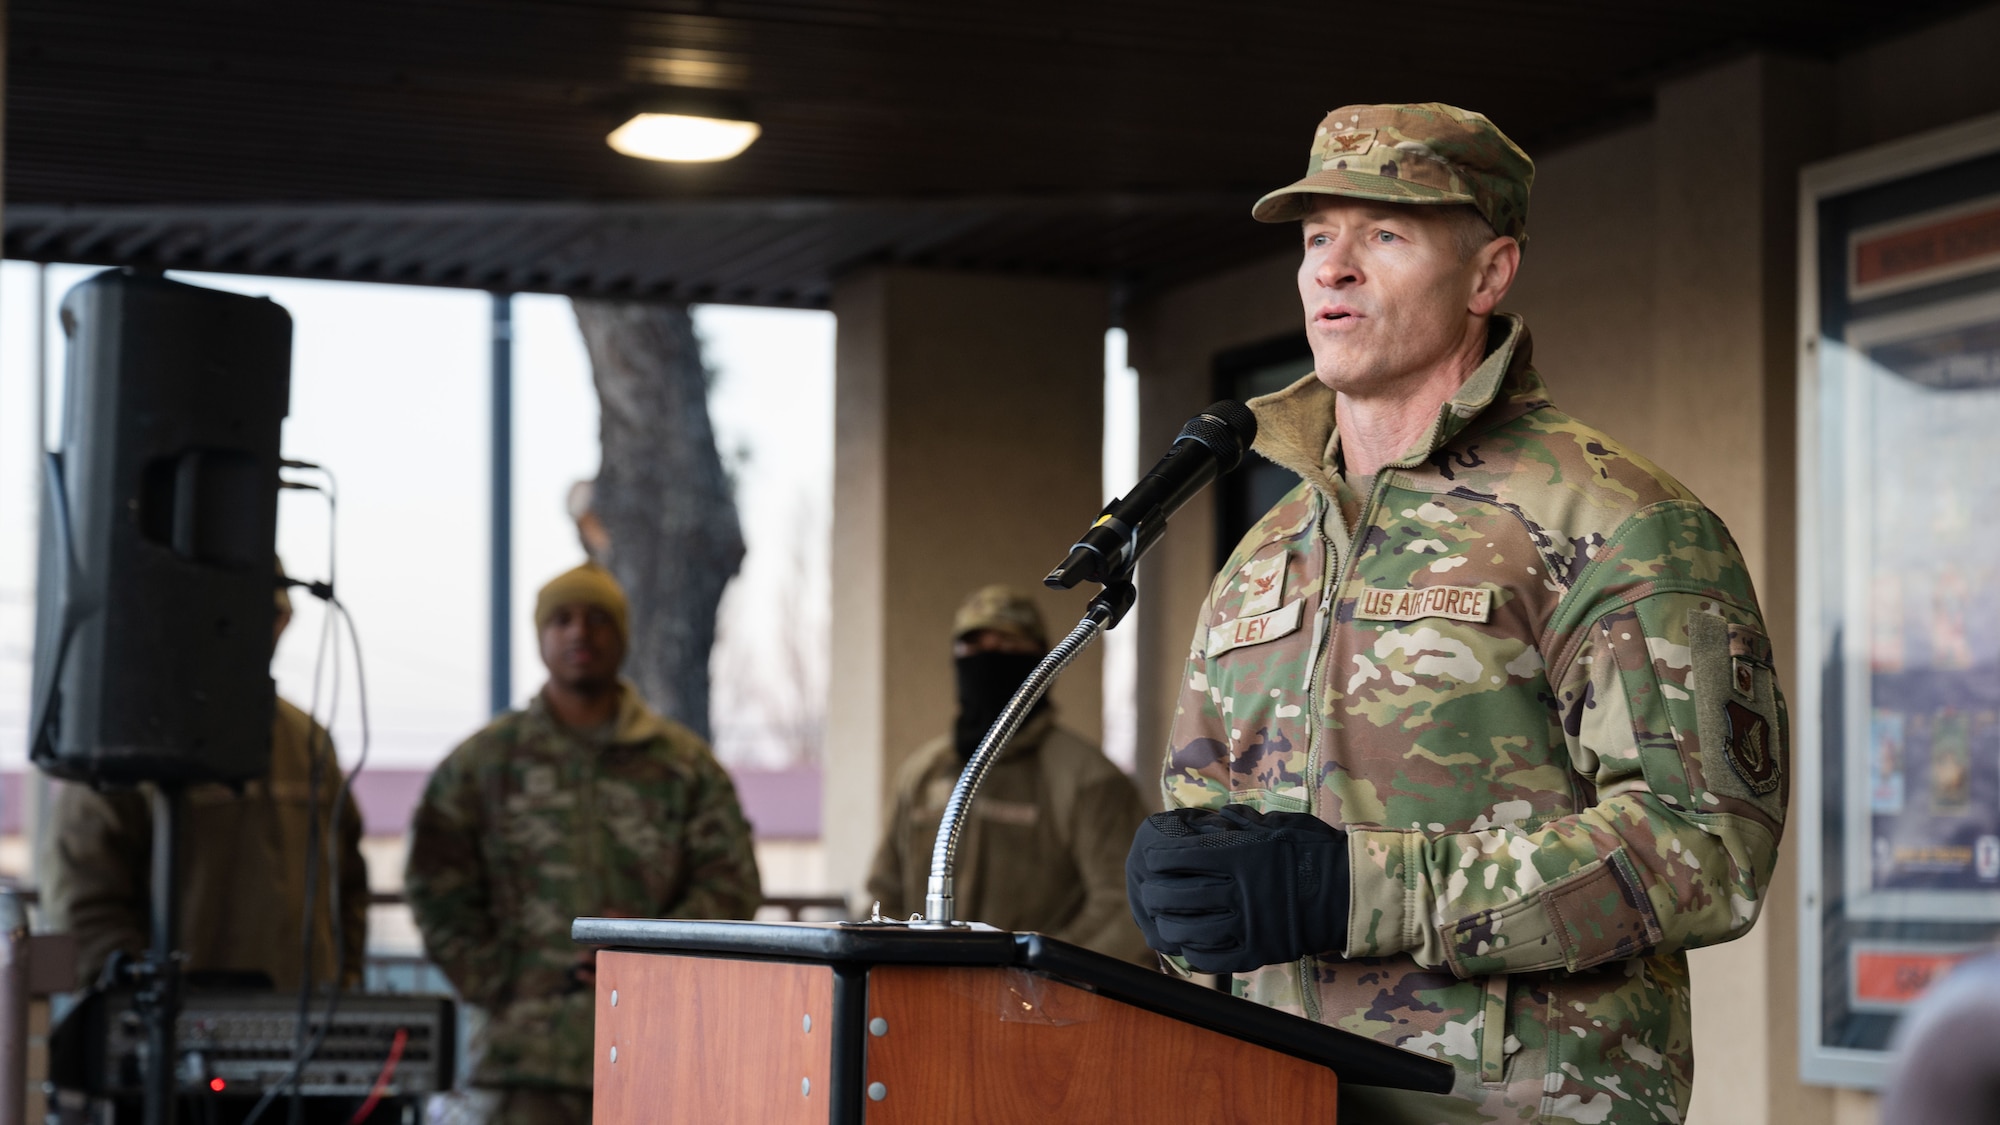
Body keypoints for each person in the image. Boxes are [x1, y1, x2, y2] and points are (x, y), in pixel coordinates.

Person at [1124, 103, 1786, 1123]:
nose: (1330, 269)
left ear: (1488, 275)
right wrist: (1177, 899)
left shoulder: (1616, 520)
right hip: (1274, 1099)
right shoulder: (1266, 552)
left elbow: (1704, 848)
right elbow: (1212, 832)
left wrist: (1355, 891)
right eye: (1314, 239)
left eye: (1382, 234)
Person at [405, 562, 761, 1125]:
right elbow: (435, 882)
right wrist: (497, 981)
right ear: (542, 637)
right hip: (521, 1060)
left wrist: (651, 948)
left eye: (597, 619)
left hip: (653, 1053)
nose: (579, 633)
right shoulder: (483, 764)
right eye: (562, 619)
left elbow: (731, 885)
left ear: (621, 636)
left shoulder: (682, 766)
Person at [40, 563, 368, 992]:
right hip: (172, 1034)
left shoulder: (307, 741)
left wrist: (344, 983)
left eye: (270, 617)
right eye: (236, 618)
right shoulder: (130, 739)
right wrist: (135, 1004)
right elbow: (83, 897)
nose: (257, 634)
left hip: (303, 1028)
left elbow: (349, 886)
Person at [866, 586, 1151, 963]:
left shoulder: (1088, 779)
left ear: (1040, 661)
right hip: (928, 999)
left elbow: (1125, 908)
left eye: (1006, 647)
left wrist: (1032, 972)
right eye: (973, 648)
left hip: (1041, 1007)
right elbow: (884, 892)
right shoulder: (922, 773)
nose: (987, 660)